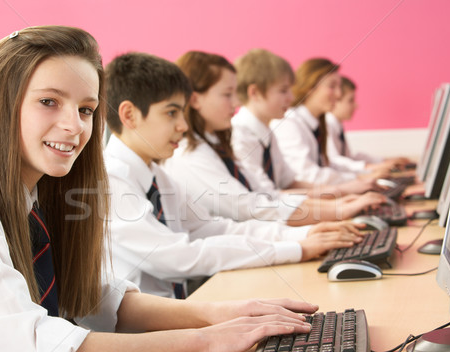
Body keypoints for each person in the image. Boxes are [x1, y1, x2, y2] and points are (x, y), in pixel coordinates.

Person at [0, 26, 320, 352]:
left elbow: (102, 300)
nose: (74, 125)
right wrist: (205, 341)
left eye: (85, 110)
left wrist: (227, 313)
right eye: (49, 101)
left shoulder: (40, 200)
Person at [103, 51, 363, 299]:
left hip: (174, 311)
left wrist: (301, 237)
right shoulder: (112, 179)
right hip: (134, 334)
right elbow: (179, 258)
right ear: (129, 115)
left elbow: (211, 228)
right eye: (171, 113)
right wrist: (295, 248)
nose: (182, 125)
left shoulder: (158, 175)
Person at [164, 50, 385, 227]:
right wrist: (335, 207)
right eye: (227, 94)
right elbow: (250, 207)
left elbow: (267, 195)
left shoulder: (221, 143)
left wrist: (334, 201)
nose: (235, 103)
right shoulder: (197, 153)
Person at [271, 58, 387, 185]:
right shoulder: (289, 123)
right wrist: (359, 177)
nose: (338, 94)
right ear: (310, 87)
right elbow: (306, 174)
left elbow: (328, 165)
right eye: (332, 86)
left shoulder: (316, 124)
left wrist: (366, 173)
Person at [326, 76, 411, 172]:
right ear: (335, 101)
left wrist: (384, 161)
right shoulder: (327, 126)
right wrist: (373, 167)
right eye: (350, 100)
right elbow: (335, 161)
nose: (356, 106)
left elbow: (349, 158)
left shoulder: (337, 125)